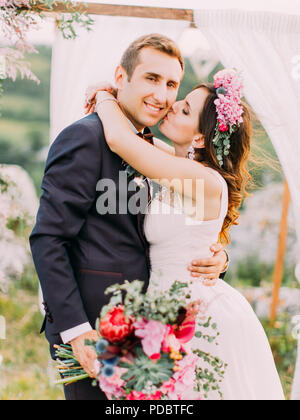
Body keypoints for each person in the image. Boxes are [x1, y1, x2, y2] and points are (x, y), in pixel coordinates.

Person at [29, 34, 228, 401]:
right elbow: (48, 239)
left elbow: (174, 234)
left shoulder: (151, 150)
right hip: (93, 330)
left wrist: (217, 258)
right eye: (151, 78)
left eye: (171, 84)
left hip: (154, 331)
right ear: (121, 76)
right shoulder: (85, 138)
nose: (162, 94)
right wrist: (76, 330)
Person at [87, 66, 285, 400]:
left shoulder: (204, 181)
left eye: (185, 109)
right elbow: (138, 142)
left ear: (200, 138)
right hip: (164, 311)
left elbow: (120, 140)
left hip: (197, 316)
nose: (174, 105)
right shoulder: (180, 166)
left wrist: (105, 95)